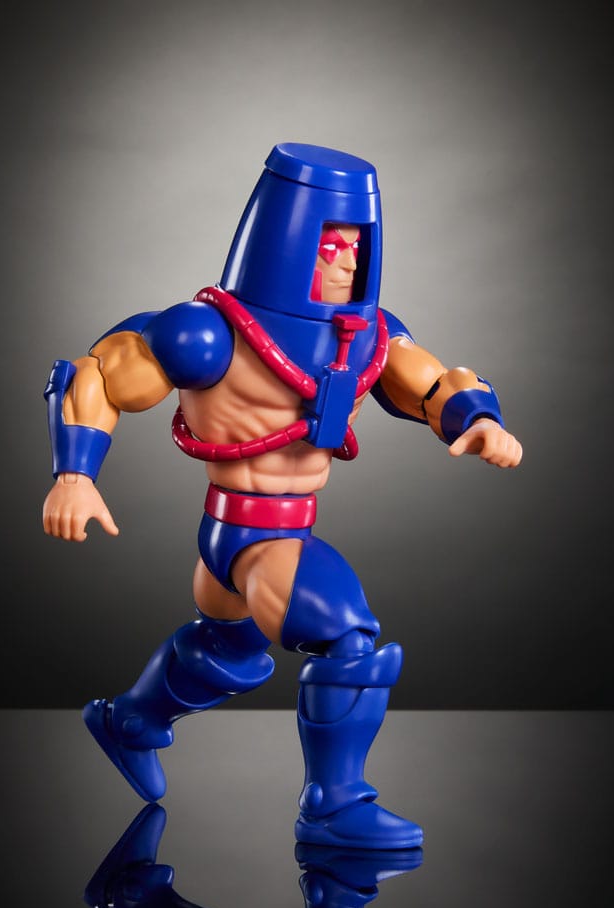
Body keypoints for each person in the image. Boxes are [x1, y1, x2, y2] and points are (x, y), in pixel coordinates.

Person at [42, 143, 522, 850]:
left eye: (356, 246)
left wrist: (479, 420)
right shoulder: (208, 334)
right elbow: (98, 375)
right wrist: (75, 475)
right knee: (349, 639)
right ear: (287, 243)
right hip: (255, 534)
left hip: (251, 533)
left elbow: (432, 384)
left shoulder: (371, 336)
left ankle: (129, 721)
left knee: (231, 651)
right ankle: (334, 805)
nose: (347, 262)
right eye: (330, 246)